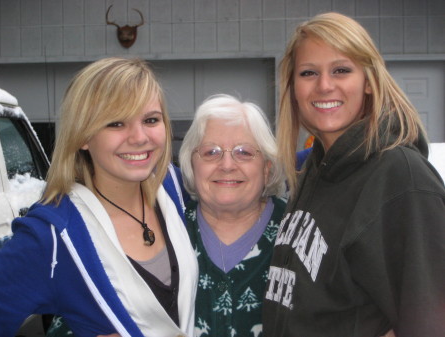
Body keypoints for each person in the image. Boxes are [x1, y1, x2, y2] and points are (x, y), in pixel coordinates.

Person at [263, 12, 445, 337]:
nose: (324, 85)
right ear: (292, 87)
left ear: (370, 81)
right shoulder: (313, 170)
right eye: (308, 73)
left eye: (341, 70)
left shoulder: (402, 178)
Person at [0, 57, 198, 337]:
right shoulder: (52, 235)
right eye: (116, 123)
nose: (139, 137)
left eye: (151, 119)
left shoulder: (175, 187)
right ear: (83, 137)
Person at [178, 94, 287, 337]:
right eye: (211, 152)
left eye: (244, 152)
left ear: (267, 169)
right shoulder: (167, 233)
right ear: (191, 164)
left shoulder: (299, 231)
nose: (227, 164)